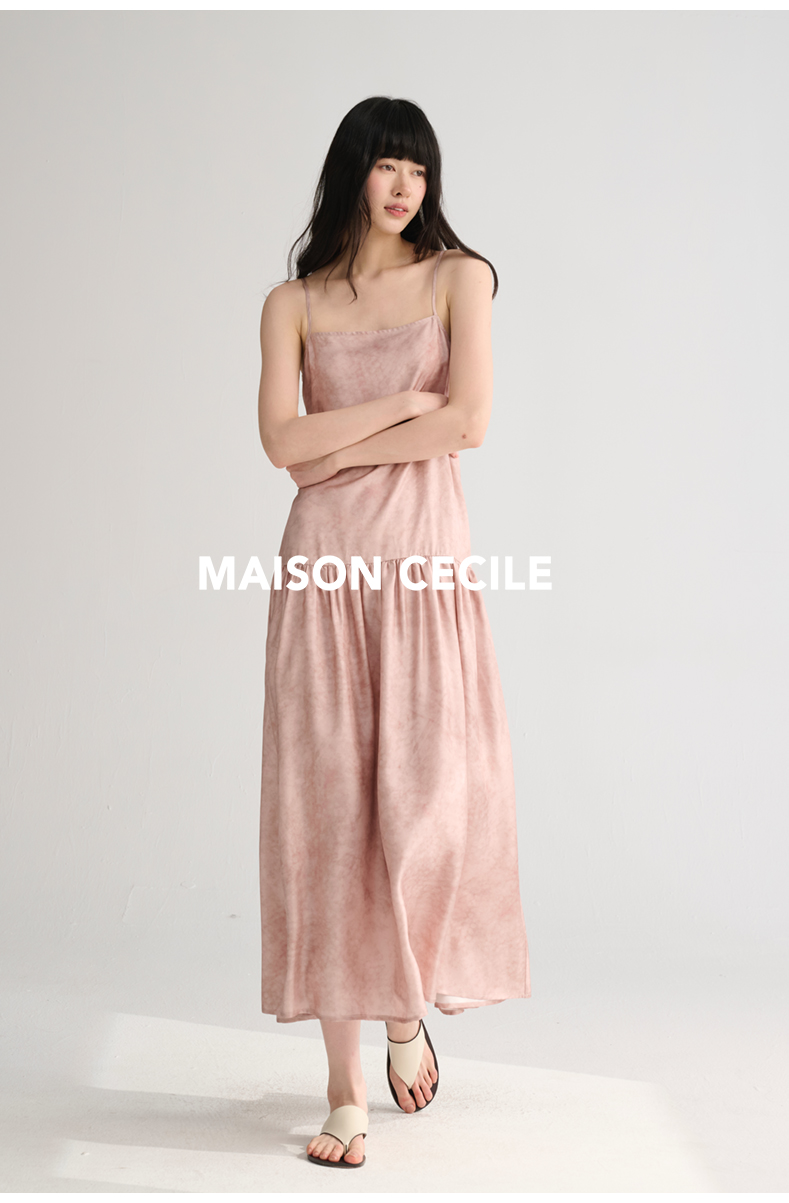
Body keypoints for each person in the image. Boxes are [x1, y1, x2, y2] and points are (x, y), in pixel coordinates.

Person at [256, 96, 530, 1169]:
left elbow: (469, 421)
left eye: (417, 167)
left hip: (422, 574)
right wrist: (401, 412)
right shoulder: (292, 303)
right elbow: (279, 444)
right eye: (385, 165)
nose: (404, 185)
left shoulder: (463, 278)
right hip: (322, 579)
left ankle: (404, 1006)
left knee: (431, 807)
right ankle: (342, 1090)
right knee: (326, 825)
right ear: (351, 174)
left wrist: (336, 447)